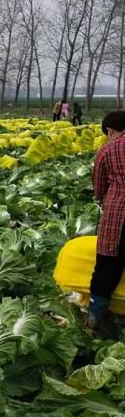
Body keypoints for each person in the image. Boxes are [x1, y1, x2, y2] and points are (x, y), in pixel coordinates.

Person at [87, 109, 125, 333]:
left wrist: (103, 199)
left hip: (118, 215)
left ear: (111, 131)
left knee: (107, 266)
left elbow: (99, 186)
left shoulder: (108, 150)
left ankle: (95, 319)